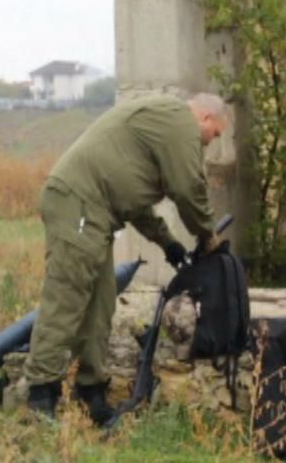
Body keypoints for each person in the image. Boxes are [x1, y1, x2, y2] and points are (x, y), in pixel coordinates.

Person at [24, 93, 227, 426]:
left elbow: (133, 202)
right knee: (68, 298)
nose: (211, 142)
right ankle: (40, 397)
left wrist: (169, 243)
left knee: (100, 304)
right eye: (215, 134)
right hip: (78, 205)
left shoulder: (163, 126)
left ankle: (91, 394)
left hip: (94, 211)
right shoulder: (179, 121)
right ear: (205, 118)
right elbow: (188, 187)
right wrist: (208, 235)